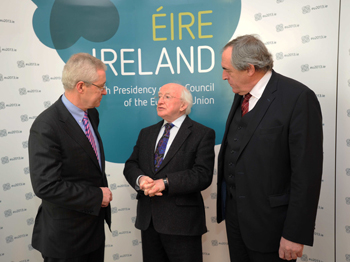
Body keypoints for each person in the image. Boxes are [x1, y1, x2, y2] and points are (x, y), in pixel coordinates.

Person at [216, 35, 323, 262]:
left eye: (228, 70)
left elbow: (307, 174)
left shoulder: (298, 98)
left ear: (250, 69)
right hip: (236, 222)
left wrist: (295, 234)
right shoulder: (242, 95)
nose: (224, 76)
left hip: (272, 227)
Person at [28, 53, 112, 262]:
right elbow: (46, 186)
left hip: (92, 232)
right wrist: (96, 196)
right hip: (66, 240)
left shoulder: (91, 113)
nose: (105, 91)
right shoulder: (47, 126)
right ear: (81, 86)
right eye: (100, 86)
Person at [123, 83, 215, 262]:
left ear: (183, 105)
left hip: (183, 225)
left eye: (167, 97)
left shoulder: (202, 133)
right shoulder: (146, 133)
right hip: (148, 222)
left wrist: (165, 182)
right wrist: (141, 180)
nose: (160, 101)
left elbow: (202, 174)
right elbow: (131, 164)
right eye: (159, 96)